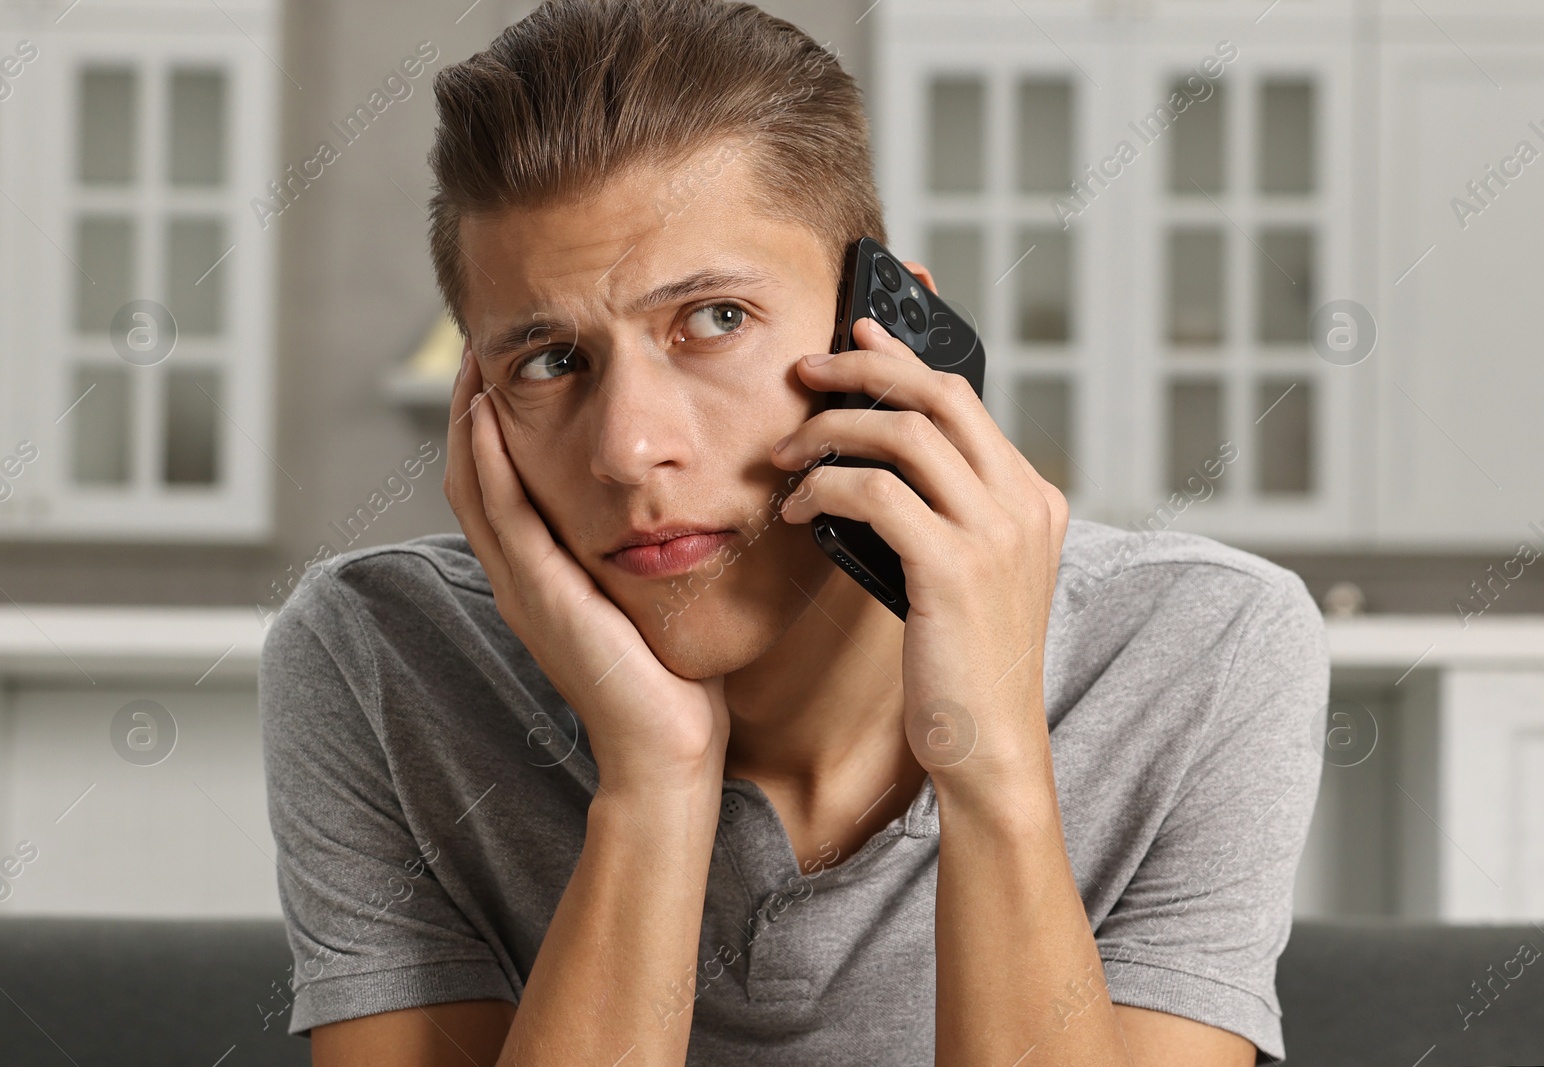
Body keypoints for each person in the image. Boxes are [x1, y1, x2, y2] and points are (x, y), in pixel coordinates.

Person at [259, 1, 1329, 1063]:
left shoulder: (1199, 647)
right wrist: (655, 782)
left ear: (892, 331)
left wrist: (991, 753)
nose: (628, 449)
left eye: (713, 318)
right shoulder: (380, 658)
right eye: (548, 359)